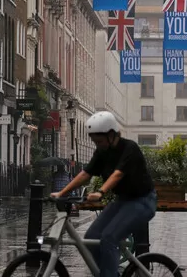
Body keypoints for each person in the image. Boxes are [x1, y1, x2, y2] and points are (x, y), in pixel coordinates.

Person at [51, 111, 157, 277]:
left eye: (99, 141)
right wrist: (62, 193)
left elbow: (118, 174)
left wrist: (101, 192)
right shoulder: (102, 152)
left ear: (111, 134)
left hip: (143, 202)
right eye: (95, 141)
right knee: (91, 237)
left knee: (109, 237)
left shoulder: (129, 148)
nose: (97, 145)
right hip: (123, 201)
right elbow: (85, 174)